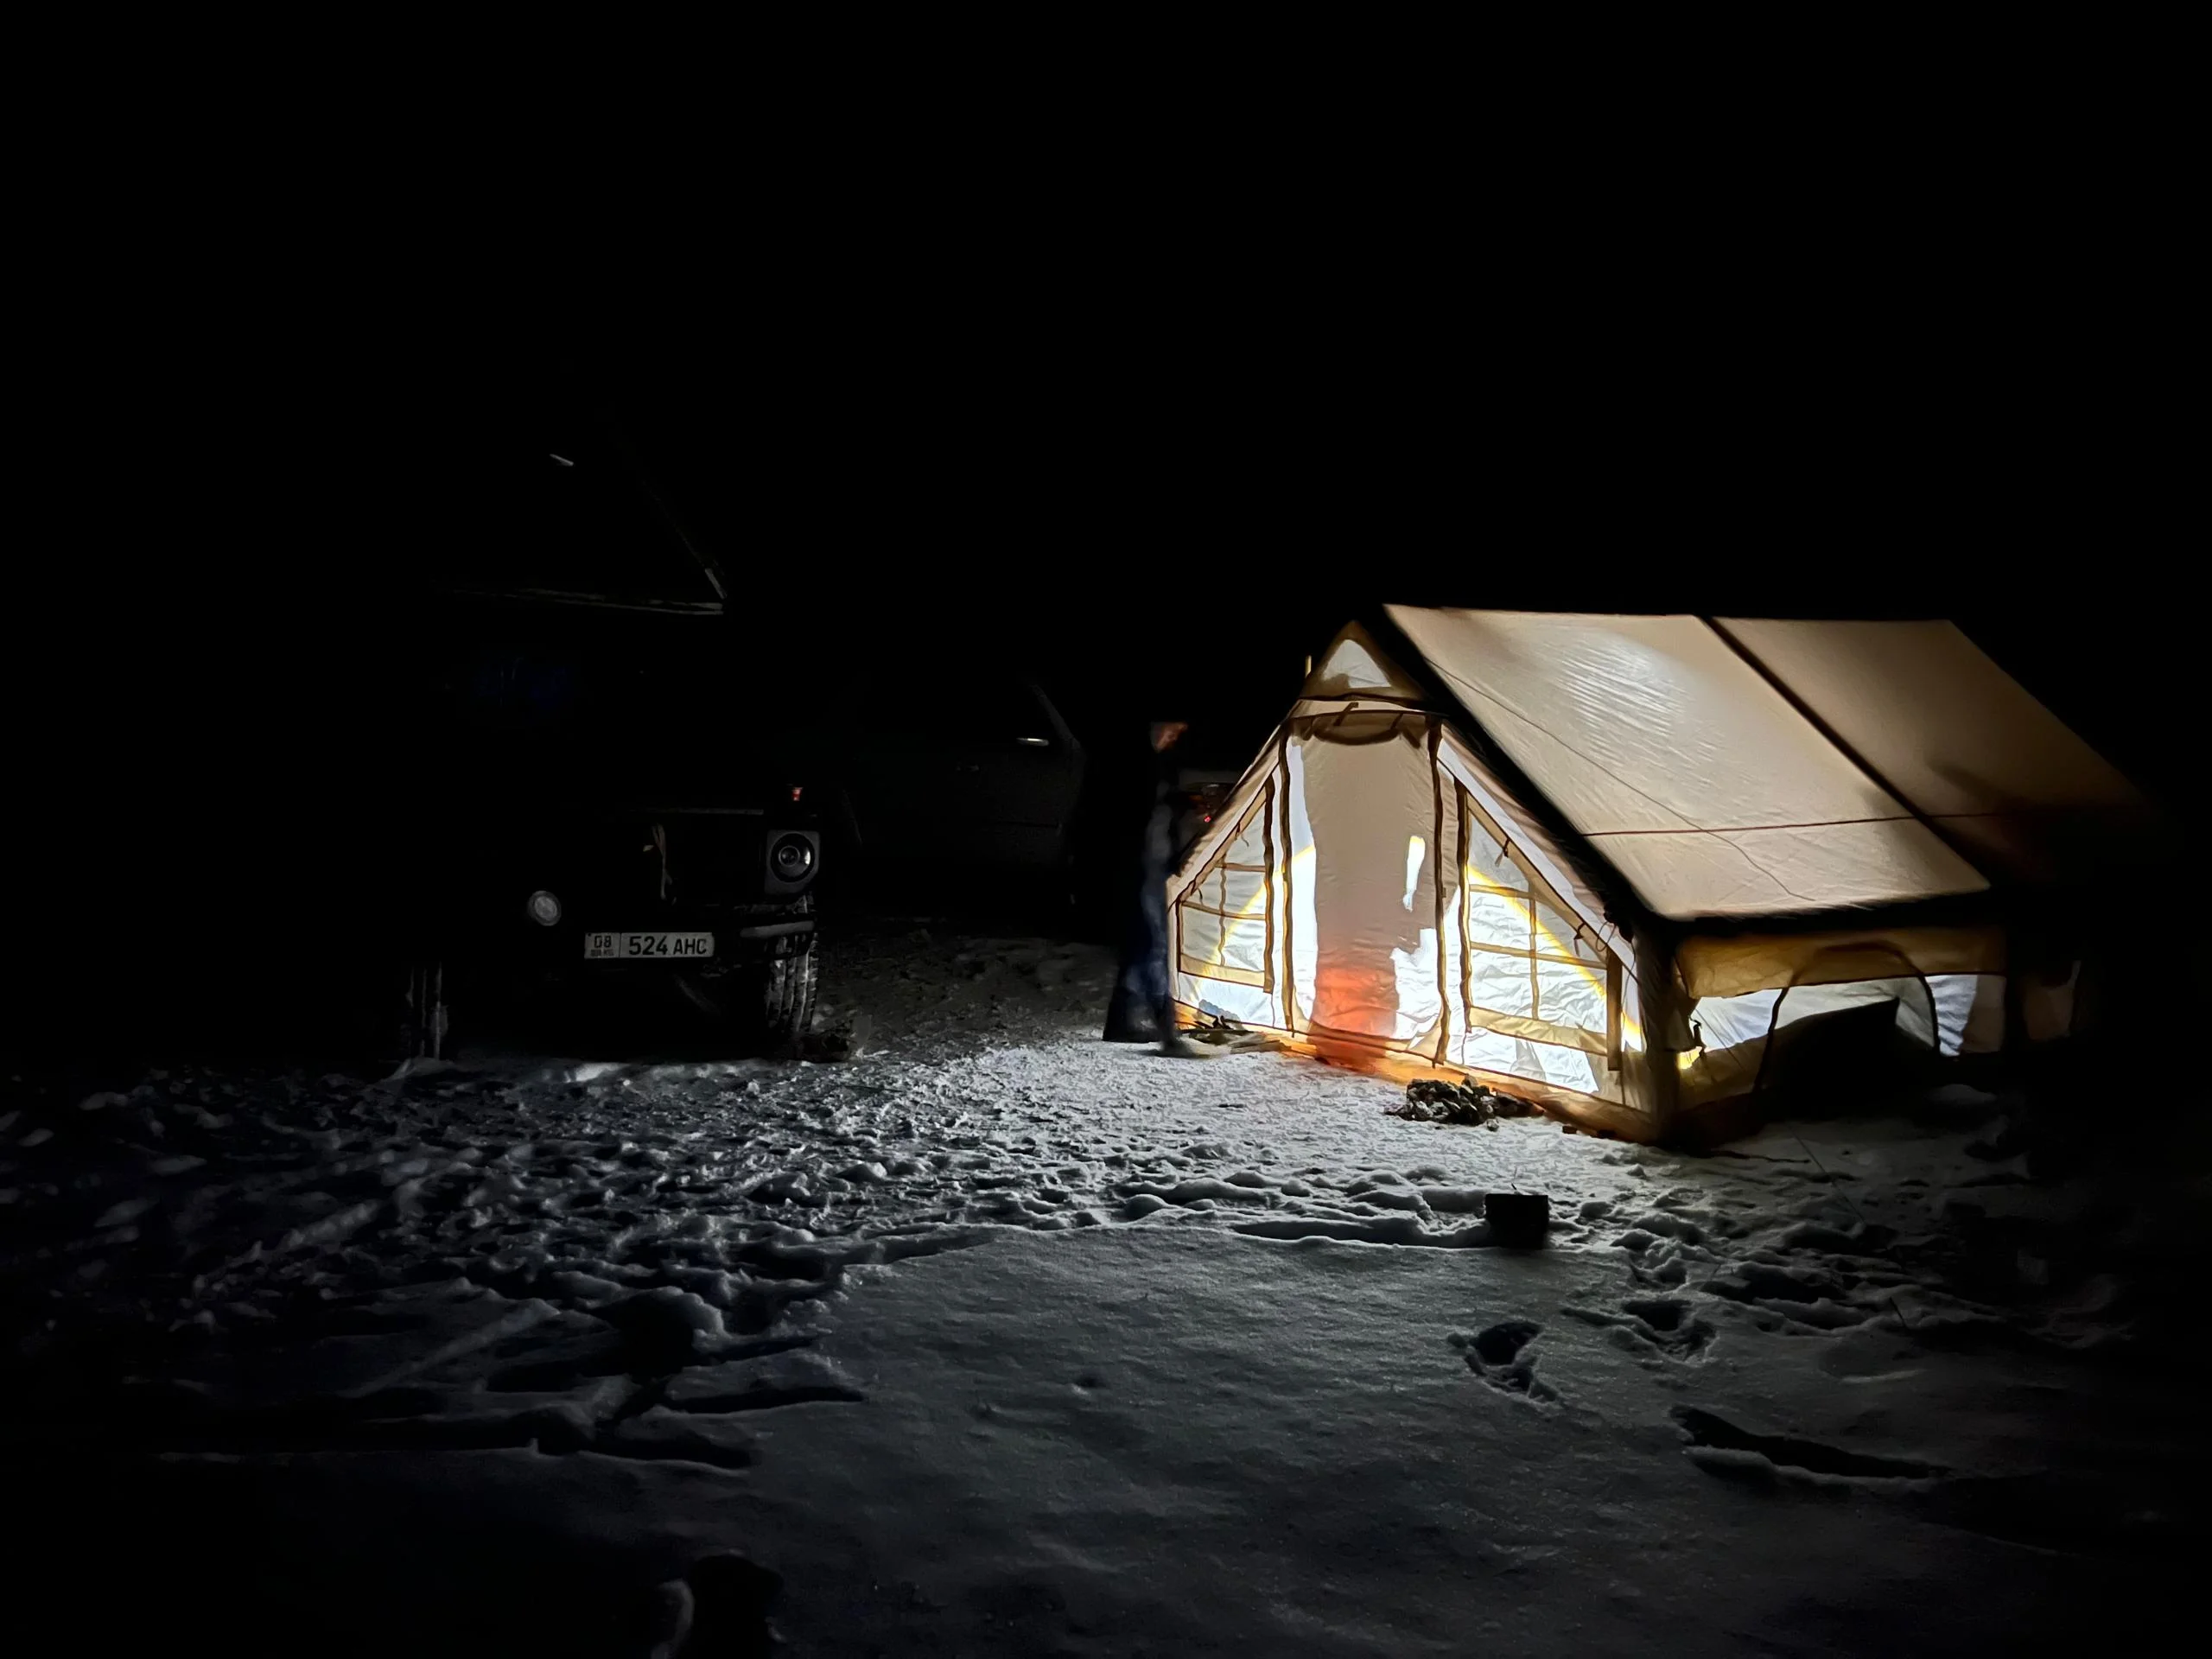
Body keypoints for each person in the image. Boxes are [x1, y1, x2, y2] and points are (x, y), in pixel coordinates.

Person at [1103, 720, 1210, 1057]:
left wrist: (1182, 806)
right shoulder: (1132, 765)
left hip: (1151, 863)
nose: (1175, 736)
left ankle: (1119, 1022)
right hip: (1137, 864)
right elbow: (1131, 813)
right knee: (1152, 944)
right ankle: (1169, 1033)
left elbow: (1157, 807)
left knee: (1140, 945)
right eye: (1171, 729)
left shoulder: (1156, 765)